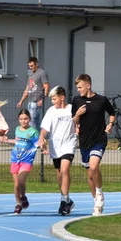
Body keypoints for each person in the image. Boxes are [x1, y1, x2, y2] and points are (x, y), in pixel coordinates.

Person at [71, 74, 116, 215]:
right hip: (84, 141)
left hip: (99, 139)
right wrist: (77, 114)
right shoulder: (77, 100)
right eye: (77, 87)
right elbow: (74, 121)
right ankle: (96, 200)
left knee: (94, 166)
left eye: (80, 87)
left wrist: (110, 124)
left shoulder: (101, 100)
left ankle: (99, 193)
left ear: (88, 85)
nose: (78, 90)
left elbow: (112, 113)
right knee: (90, 174)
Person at [38, 85, 78, 215]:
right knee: (60, 174)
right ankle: (67, 200)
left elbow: (78, 122)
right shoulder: (51, 111)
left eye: (54, 99)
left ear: (62, 97)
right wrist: (42, 138)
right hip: (56, 146)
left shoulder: (72, 109)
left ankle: (63, 201)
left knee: (65, 169)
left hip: (69, 144)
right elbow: (45, 128)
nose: (53, 101)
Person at [8, 108, 39, 214]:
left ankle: (23, 196)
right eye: (21, 119)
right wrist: (6, 140)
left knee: (21, 181)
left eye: (25, 119)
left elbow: (38, 143)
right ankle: (18, 203)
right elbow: (17, 142)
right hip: (15, 159)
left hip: (27, 160)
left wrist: (44, 148)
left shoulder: (33, 132)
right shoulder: (17, 129)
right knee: (16, 185)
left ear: (29, 119)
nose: (23, 121)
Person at [17, 56, 50, 130]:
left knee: (31, 122)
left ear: (36, 64)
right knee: (35, 123)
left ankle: (32, 138)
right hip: (30, 102)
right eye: (29, 66)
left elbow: (46, 86)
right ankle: (37, 139)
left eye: (32, 66)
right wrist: (21, 101)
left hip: (37, 102)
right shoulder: (31, 74)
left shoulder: (41, 73)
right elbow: (27, 88)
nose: (30, 67)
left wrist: (42, 100)